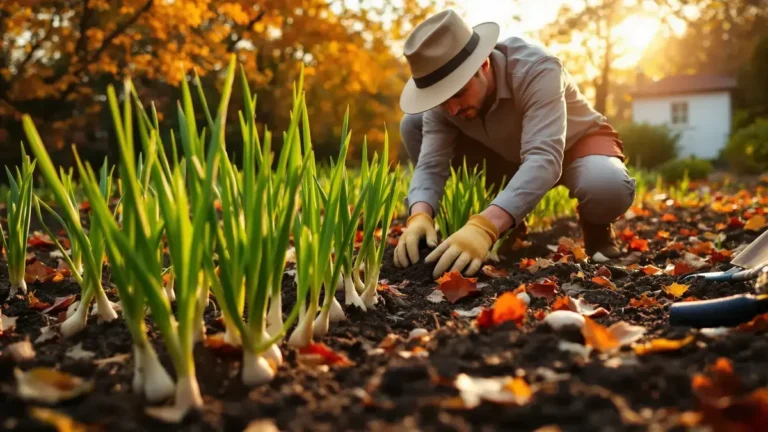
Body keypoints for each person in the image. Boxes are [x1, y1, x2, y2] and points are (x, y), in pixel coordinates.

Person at [393, 10, 636, 279]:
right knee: (412, 124)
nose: (452, 110)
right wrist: (419, 215)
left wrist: (485, 227)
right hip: (504, 155)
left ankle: (597, 228)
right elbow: (431, 164)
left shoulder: (537, 69)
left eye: (459, 93)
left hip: (573, 145)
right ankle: (508, 224)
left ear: (483, 64)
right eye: (441, 101)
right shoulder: (447, 104)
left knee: (606, 185)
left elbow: (544, 158)